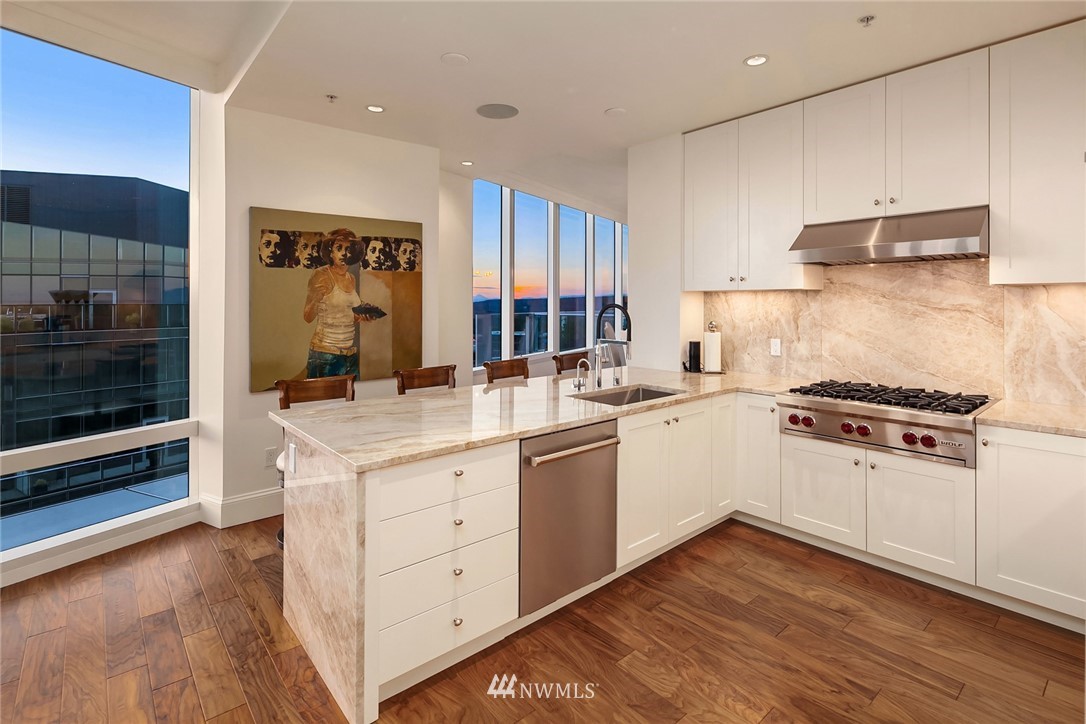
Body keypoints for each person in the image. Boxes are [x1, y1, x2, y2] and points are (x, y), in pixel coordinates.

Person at [302, 228, 376, 377]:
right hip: (325, 355)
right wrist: (317, 297)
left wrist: (363, 316)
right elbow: (308, 316)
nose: (344, 253)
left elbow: (345, 314)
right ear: (330, 252)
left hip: (350, 356)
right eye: (339, 248)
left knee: (353, 399)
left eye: (348, 249)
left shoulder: (351, 278)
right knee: (323, 401)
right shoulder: (321, 275)